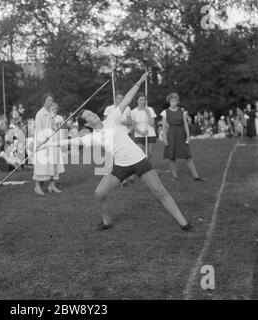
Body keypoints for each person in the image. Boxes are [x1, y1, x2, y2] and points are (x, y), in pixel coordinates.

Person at [39, 73, 192, 231]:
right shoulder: (92, 137)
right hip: (121, 166)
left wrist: (138, 82)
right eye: (89, 116)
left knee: (160, 191)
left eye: (92, 112)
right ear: (87, 124)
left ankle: (184, 223)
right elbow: (70, 142)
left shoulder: (111, 118)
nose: (93, 115)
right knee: (99, 193)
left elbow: (126, 99)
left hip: (139, 160)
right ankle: (107, 222)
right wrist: (47, 144)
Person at [161, 93, 203, 183]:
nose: (173, 102)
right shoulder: (165, 112)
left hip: (181, 134)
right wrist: (164, 138)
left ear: (177, 101)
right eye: (172, 100)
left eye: (175, 101)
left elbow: (185, 124)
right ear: (169, 101)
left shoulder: (182, 110)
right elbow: (164, 127)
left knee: (187, 155)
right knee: (171, 156)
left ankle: (196, 176)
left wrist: (188, 136)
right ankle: (174, 176)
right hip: (171, 135)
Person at [33, 94, 65, 195]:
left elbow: (54, 126)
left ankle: (52, 185)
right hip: (43, 143)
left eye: (51, 100)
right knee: (42, 166)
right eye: (49, 100)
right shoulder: (40, 114)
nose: (51, 102)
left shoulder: (52, 113)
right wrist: (43, 140)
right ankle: (37, 187)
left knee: (54, 164)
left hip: (53, 142)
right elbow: (39, 129)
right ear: (44, 102)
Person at [131, 93, 157, 161]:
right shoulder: (133, 112)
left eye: (144, 100)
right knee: (140, 152)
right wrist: (141, 132)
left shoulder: (150, 109)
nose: (143, 101)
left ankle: (148, 166)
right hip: (139, 134)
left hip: (150, 133)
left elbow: (152, 123)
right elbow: (133, 125)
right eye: (141, 100)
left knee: (150, 153)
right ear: (137, 101)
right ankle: (143, 167)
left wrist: (148, 113)